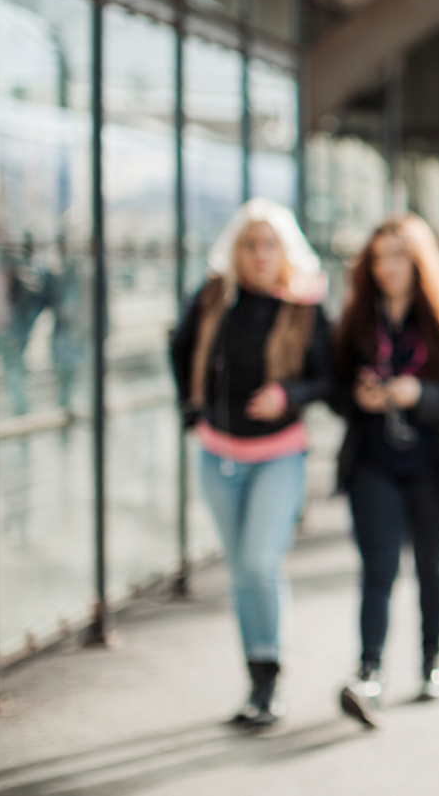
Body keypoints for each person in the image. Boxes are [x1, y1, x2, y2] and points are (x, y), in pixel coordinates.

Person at [330, 213, 439, 728]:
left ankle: (431, 662)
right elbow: (332, 384)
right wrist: (356, 397)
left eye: (399, 256)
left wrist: (421, 394)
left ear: (420, 260)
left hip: (434, 462)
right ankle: (369, 675)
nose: (387, 268)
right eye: (378, 258)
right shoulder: (358, 318)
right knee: (378, 568)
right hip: (373, 461)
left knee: (431, 565)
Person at [170, 198, 332, 730]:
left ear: (285, 250)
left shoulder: (306, 305)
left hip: (278, 453)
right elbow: (180, 346)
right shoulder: (215, 297)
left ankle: (271, 673)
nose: (260, 254)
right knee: (240, 570)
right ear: (235, 250)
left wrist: (288, 394)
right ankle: (256, 683)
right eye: (250, 244)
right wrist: (192, 410)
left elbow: (326, 377)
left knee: (262, 562)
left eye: (270, 244)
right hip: (218, 453)